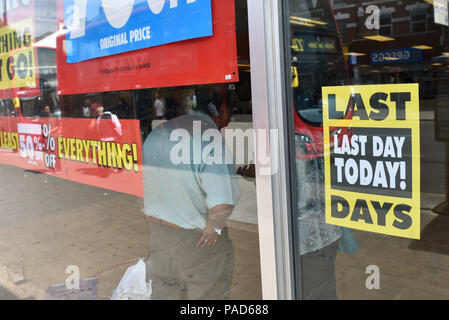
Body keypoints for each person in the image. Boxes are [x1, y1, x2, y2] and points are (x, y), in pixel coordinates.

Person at [142, 85, 240, 300]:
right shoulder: (209, 138)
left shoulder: (156, 134)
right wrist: (214, 225)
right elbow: (221, 206)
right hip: (196, 243)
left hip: (159, 238)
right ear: (222, 108)